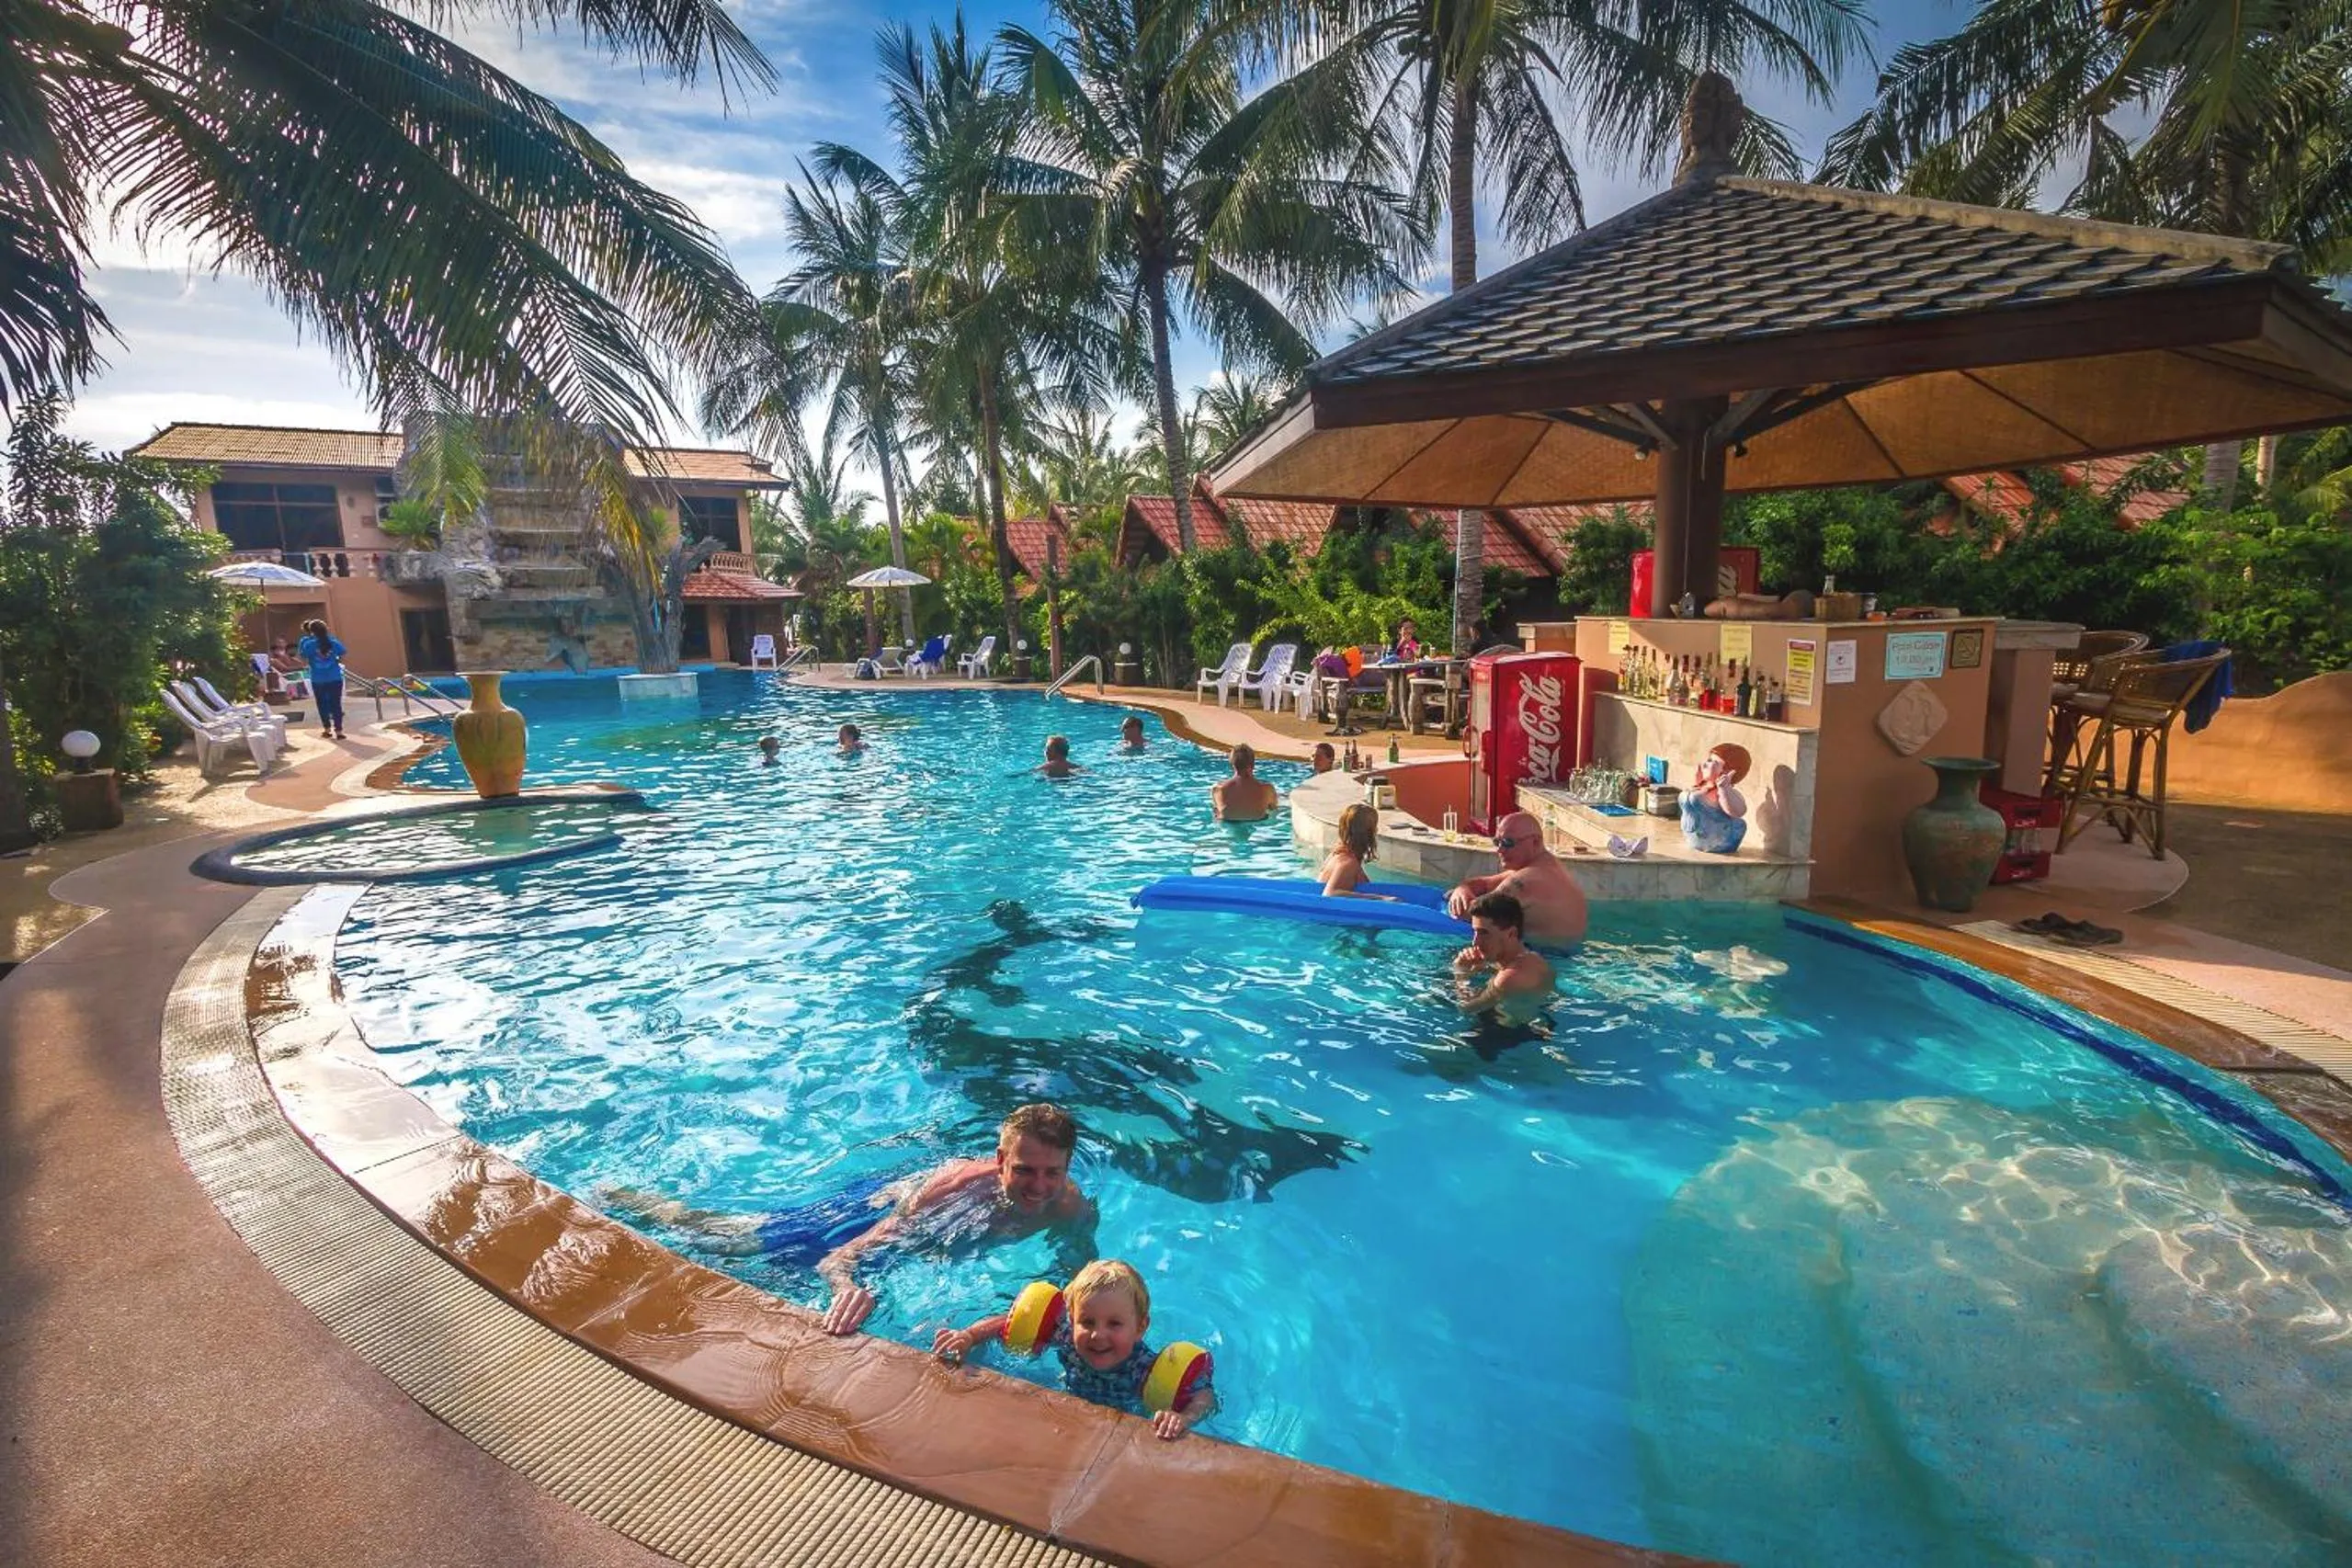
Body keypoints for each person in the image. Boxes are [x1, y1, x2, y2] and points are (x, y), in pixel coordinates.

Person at [606, 1104, 1097, 1337]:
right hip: (876, 1212)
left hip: (923, 1221)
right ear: (999, 1160)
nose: (1039, 1186)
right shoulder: (958, 1190)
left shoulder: (1069, 1206)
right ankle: (632, 1200)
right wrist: (843, 1285)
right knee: (731, 1242)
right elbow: (843, 1258)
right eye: (1024, 1170)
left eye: (1052, 1172)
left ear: (1068, 1166)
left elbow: (1079, 1270)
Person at [934, 1258, 1217, 1440]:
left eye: (1115, 1324)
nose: (1098, 1335)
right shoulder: (1068, 1337)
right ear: (1071, 1318)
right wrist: (969, 1336)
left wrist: (1185, 1417)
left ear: (1140, 1327)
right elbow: (1005, 1322)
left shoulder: (1143, 1367)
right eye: (1087, 1321)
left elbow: (1204, 1395)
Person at [1446, 810, 1588, 945]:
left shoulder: (1525, 881)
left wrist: (1458, 898)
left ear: (1535, 842)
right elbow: (1484, 883)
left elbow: (1472, 915)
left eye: (1508, 843)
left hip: (1542, 959)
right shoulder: (1546, 867)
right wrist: (1463, 889)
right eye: (1497, 842)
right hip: (1566, 956)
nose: (1500, 850)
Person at [1450, 892, 1556, 1020]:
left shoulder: (1509, 977)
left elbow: (1466, 1009)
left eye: (1484, 933)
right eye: (1475, 932)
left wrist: (1461, 973)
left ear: (1511, 933)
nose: (1475, 942)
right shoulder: (1531, 958)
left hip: (1511, 1033)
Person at [1318, 802, 1393, 898]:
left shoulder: (1337, 855)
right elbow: (1329, 894)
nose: (1376, 830)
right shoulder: (1348, 862)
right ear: (1367, 833)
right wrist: (1381, 898)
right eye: (1374, 827)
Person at [297, 618, 347, 739]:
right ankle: (339, 731)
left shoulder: (309, 644)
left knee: (322, 704)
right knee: (336, 704)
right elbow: (343, 652)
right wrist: (335, 658)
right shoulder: (333, 642)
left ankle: (327, 729)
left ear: (311, 631)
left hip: (317, 679)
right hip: (335, 677)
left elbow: (303, 655)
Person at [1210, 744, 1278, 823]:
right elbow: (1274, 811)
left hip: (1228, 824)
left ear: (1233, 764)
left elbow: (1216, 815)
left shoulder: (1218, 789)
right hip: (1258, 823)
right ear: (1253, 764)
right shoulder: (1267, 789)